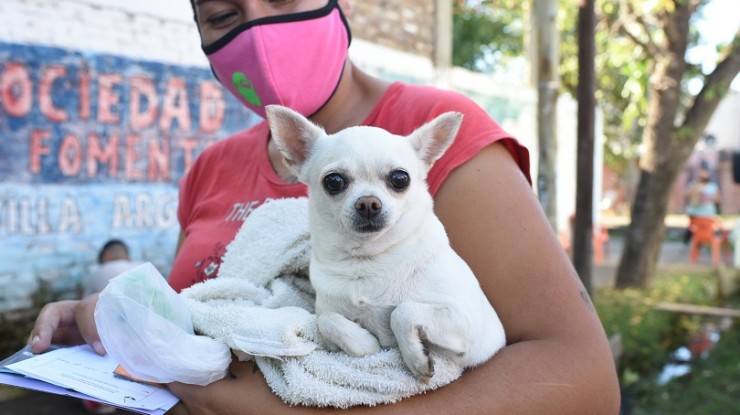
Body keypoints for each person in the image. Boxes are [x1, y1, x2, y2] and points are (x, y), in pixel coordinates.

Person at [28, 1, 621, 413]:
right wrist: (118, 322)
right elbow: (209, 309)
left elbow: (582, 384)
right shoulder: (211, 166)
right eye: (223, 16)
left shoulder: (434, 134)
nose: (258, 30)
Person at [80, 239, 140, 414]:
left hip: (111, 331)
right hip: (142, 333)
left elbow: (85, 306)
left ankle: (101, 401)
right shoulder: (141, 266)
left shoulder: (96, 272)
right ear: (126, 255)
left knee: (99, 357)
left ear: (105, 257)